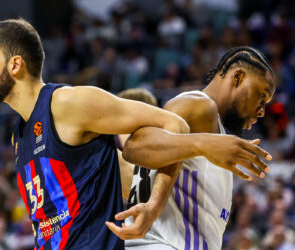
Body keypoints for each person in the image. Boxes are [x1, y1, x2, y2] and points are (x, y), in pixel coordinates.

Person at [0, 18, 272, 250]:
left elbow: (146, 149)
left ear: (15, 63)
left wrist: (153, 206)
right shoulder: (19, 135)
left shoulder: (67, 103)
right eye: (262, 96)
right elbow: (136, 158)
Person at [107, 46, 276, 250]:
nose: (262, 111)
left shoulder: (215, 129)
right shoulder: (200, 106)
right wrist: (203, 144)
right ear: (238, 77)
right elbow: (136, 147)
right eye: (262, 96)